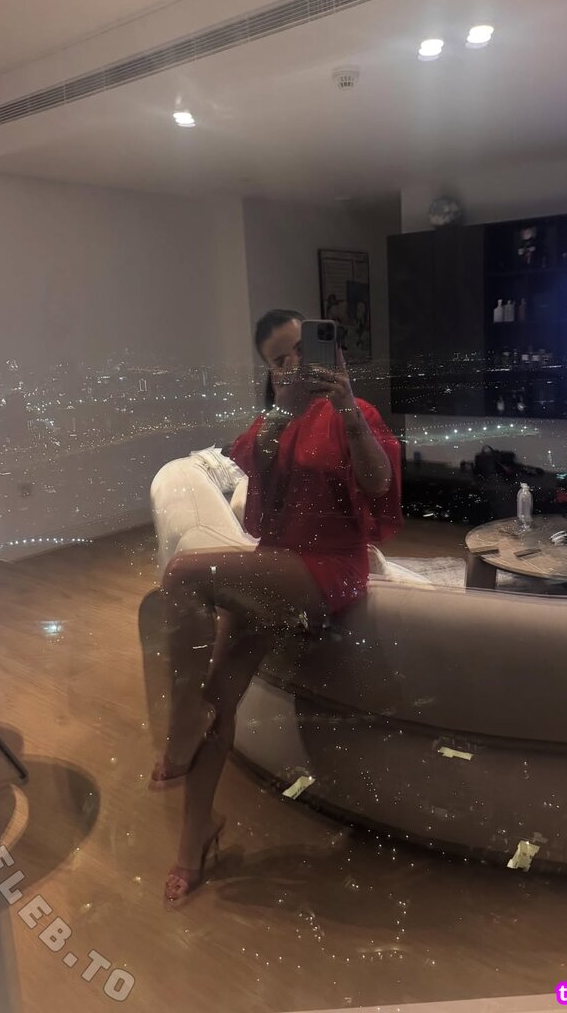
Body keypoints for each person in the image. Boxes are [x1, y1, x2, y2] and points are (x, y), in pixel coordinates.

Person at [153, 308, 403, 902]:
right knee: (220, 696)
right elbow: (251, 463)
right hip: (277, 565)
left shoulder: (356, 412)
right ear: (268, 369)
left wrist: (347, 407)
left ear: (330, 352)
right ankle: (195, 838)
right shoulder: (275, 420)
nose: (294, 364)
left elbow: (378, 484)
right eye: (278, 359)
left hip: (329, 567)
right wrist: (282, 411)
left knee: (184, 575)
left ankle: (181, 725)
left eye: (301, 349)